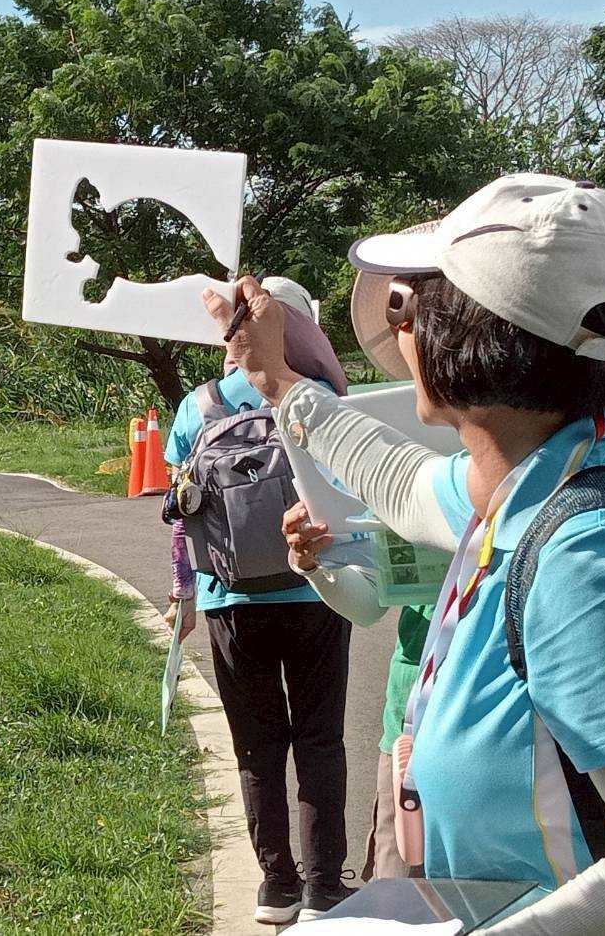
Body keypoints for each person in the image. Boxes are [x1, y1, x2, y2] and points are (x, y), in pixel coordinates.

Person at [209, 173, 605, 934]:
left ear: (455, 333)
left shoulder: (592, 559)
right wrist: (278, 382)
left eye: (403, 302)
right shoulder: (542, 478)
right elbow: (406, 484)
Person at [164, 277, 355, 925]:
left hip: (229, 597)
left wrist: (183, 595)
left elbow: (180, 510)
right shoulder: (318, 397)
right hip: (317, 588)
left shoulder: (199, 406)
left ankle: (277, 886)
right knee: (320, 739)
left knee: (257, 744)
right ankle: (326, 884)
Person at [280, 502, 432, 881]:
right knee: (401, 887)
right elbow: (367, 605)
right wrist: (312, 565)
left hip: (520, 730)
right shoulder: (417, 477)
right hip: (413, 723)